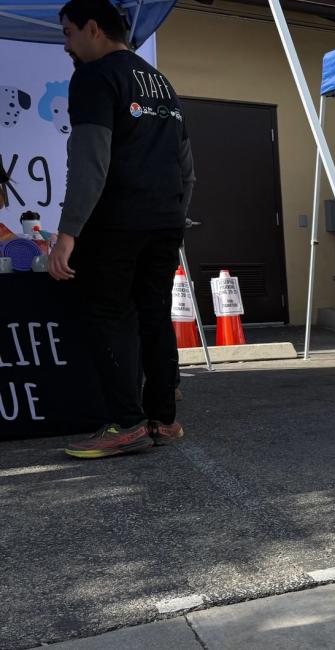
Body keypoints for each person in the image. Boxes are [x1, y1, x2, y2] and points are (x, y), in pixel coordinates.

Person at [48, 0, 195, 459]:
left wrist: (68, 232)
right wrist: (175, 213)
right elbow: (186, 164)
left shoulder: (95, 76)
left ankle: (126, 424)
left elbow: (90, 161)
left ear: (93, 28)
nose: (66, 44)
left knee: (108, 316)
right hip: (165, 223)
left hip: (116, 224)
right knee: (153, 316)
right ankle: (163, 421)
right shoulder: (161, 83)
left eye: (69, 32)